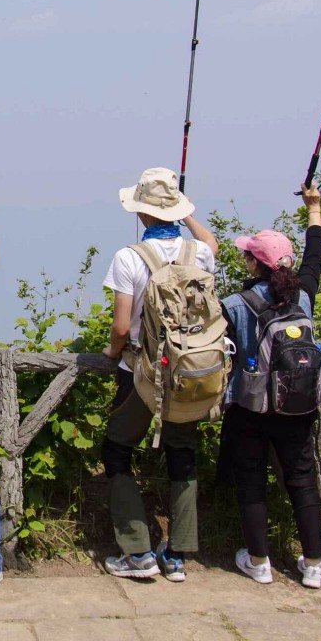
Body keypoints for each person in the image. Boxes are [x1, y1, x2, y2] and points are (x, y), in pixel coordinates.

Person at [100, 167, 220, 582]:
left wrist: (111, 352)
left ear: (140, 213)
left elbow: (120, 328)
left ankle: (137, 553)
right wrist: (186, 215)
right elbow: (211, 243)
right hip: (189, 371)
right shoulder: (198, 255)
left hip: (140, 371)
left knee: (117, 451)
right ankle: (178, 554)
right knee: (182, 454)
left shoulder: (129, 257)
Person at [218, 186, 321, 589]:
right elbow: (315, 252)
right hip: (299, 404)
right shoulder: (304, 295)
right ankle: (313, 564)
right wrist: (313, 209)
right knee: (301, 477)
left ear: (253, 263)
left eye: (247, 253)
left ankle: (259, 561)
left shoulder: (236, 303)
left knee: (251, 479)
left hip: (251, 406)